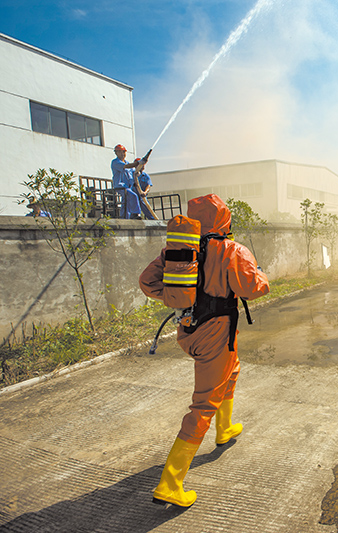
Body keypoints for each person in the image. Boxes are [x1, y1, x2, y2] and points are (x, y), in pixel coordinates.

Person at [139, 194, 270, 507]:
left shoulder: (181, 252)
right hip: (216, 336)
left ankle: (225, 429)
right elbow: (254, 288)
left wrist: (175, 297)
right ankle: (170, 483)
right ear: (224, 218)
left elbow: (146, 281)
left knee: (233, 370)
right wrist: (261, 273)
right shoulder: (232, 250)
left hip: (188, 330)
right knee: (202, 406)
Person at [110, 144, 143, 219]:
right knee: (133, 196)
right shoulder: (115, 162)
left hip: (128, 187)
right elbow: (127, 166)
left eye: (123, 152)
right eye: (120, 152)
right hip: (120, 186)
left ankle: (124, 217)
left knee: (126, 203)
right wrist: (138, 163)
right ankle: (135, 214)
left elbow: (133, 171)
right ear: (116, 153)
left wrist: (137, 172)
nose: (122, 154)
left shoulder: (127, 162)